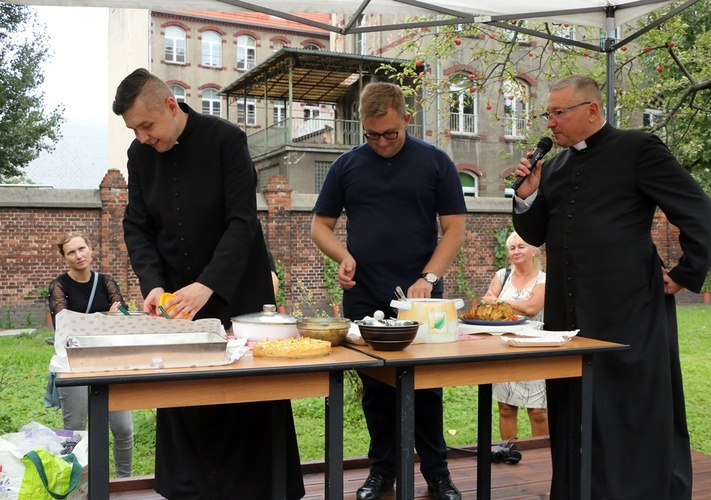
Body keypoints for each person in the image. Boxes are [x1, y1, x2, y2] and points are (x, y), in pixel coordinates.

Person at [512, 75, 711, 498]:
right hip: (568, 312)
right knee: (574, 405)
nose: (550, 123)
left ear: (592, 110)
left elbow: (694, 206)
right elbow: (534, 234)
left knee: (631, 406)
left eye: (558, 112)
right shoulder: (557, 165)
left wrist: (685, 272)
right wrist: (528, 195)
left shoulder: (638, 148)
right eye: (547, 113)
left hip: (628, 309)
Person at [112, 68, 304, 499]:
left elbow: (241, 223)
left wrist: (209, 285)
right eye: (134, 129)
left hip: (236, 292)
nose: (143, 136)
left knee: (250, 409)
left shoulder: (226, 140)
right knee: (186, 403)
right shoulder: (139, 154)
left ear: (170, 105)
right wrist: (152, 285)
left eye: (147, 125)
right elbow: (136, 227)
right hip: (179, 304)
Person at [311, 81, 466, 500]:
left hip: (423, 300)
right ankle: (383, 472)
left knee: (427, 389)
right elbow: (319, 226)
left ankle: (437, 474)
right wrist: (342, 256)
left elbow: (454, 229)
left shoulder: (436, 162)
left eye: (390, 134)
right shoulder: (346, 166)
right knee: (376, 391)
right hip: (365, 296)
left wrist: (429, 279)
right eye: (371, 135)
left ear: (406, 120)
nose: (380, 142)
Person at [47, 231, 134, 478]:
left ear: (90, 249)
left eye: (81, 249)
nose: (79, 255)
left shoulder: (106, 281)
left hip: (110, 362)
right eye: (71, 252)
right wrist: (104, 317)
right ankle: (77, 484)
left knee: (123, 428)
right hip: (73, 363)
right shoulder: (59, 286)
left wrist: (112, 317)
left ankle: (123, 481)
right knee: (75, 431)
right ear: (64, 257)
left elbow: (122, 318)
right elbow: (64, 326)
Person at [480, 231, 548, 440]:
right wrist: (494, 304)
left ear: (534, 251)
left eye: (521, 246)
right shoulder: (503, 276)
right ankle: (509, 452)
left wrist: (499, 303)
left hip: (534, 351)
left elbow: (531, 308)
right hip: (505, 348)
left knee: (538, 412)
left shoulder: (544, 279)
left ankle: (542, 459)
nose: (516, 252)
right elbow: (485, 305)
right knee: (506, 408)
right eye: (512, 248)